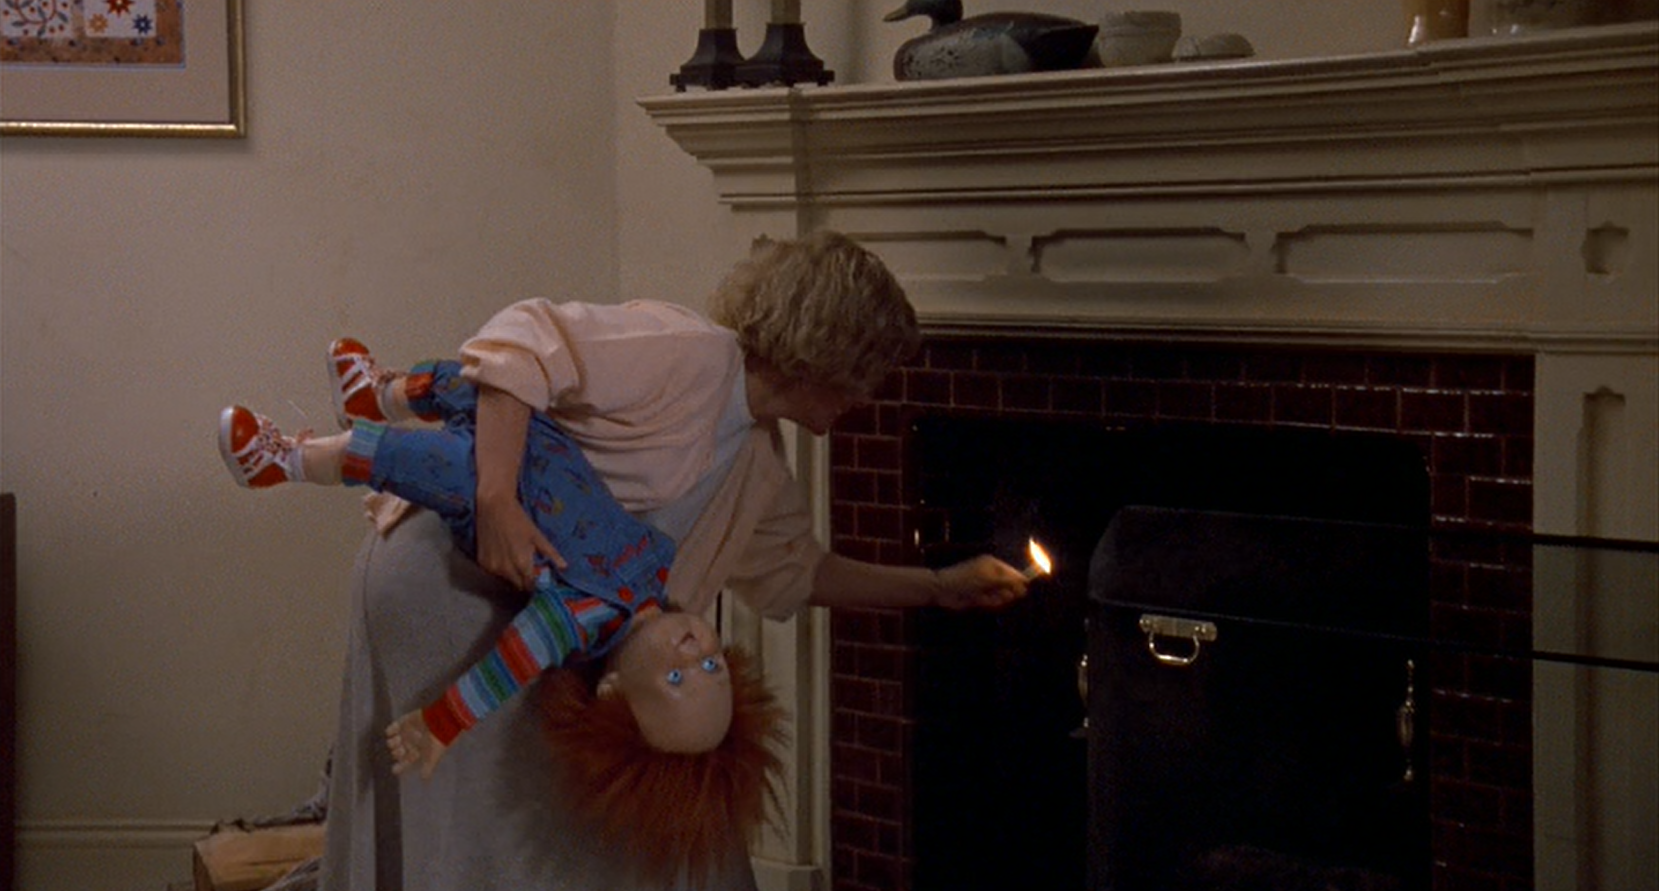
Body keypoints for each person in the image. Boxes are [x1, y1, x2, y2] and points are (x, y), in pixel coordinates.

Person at [315, 230, 1031, 890]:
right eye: (869, 372)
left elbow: (798, 571)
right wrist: (498, 499)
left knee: (594, 842)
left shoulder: (757, 456)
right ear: (829, 351)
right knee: (479, 833)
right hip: (452, 584)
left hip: (548, 619)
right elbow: (518, 341)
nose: (869, 396)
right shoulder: (688, 352)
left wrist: (937, 586)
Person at [219, 352, 786, 886]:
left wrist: (440, 726)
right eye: (714, 666)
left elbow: (504, 668)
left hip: (481, 491)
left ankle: (284, 460)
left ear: (614, 691)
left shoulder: (575, 620)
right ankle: (381, 394)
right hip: (534, 446)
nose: (694, 651)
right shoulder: (658, 571)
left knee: (403, 458)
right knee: (465, 382)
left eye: (679, 678)